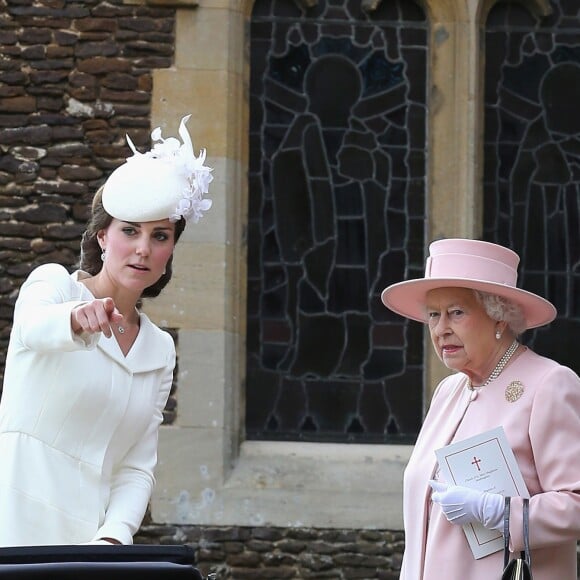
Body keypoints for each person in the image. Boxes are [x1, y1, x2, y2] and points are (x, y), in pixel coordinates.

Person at [0, 115, 213, 546]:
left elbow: (136, 467)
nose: (142, 249)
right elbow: (31, 327)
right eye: (129, 231)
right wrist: (76, 319)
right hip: (15, 529)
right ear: (102, 237)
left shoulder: (159, 349)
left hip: (91, 551)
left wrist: (113, 540)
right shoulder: (54, 285)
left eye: (160, 236)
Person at [381, 238, 580, 580]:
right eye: (433, 315)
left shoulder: (549, 383)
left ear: (499, 316)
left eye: (456, 312)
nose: (441, 329)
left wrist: (498, 512)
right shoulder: (449, 391)